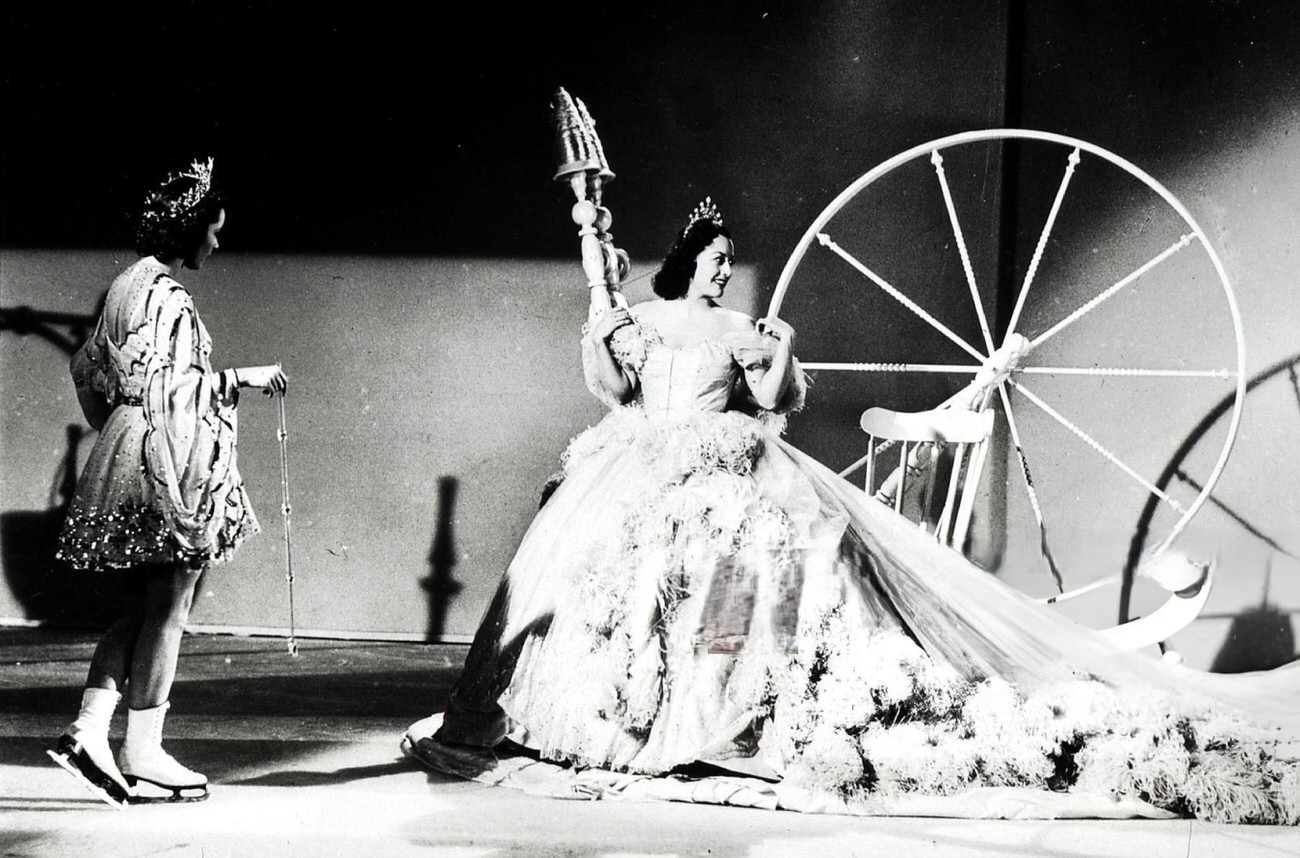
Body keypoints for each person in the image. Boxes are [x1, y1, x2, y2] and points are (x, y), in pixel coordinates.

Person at [406, 198, 1300, 823]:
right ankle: (604, 725)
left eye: (726, 265)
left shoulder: (738, 327)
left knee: (744, 583)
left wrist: (777, 352)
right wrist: (602, 329)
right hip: (634, 468)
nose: (722, 274)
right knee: (605, 589)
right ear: (688, 263)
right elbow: (615, 389)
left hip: (723, 470)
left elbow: (770, 400)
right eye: (714, 263)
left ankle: (716, 723)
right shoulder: (645, 315)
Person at [49, 157, 288, 807]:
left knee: (143, 606)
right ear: (189, 227)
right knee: (170, 609)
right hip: (166, 460)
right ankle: (143, 750)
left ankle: (89, 732)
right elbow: (173, 389)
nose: (218, 240)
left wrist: (118, 431)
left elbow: (83, 369)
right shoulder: (172, 297)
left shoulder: (126, 285)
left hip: (129, 447)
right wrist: (244, 379)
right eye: (214, 228)